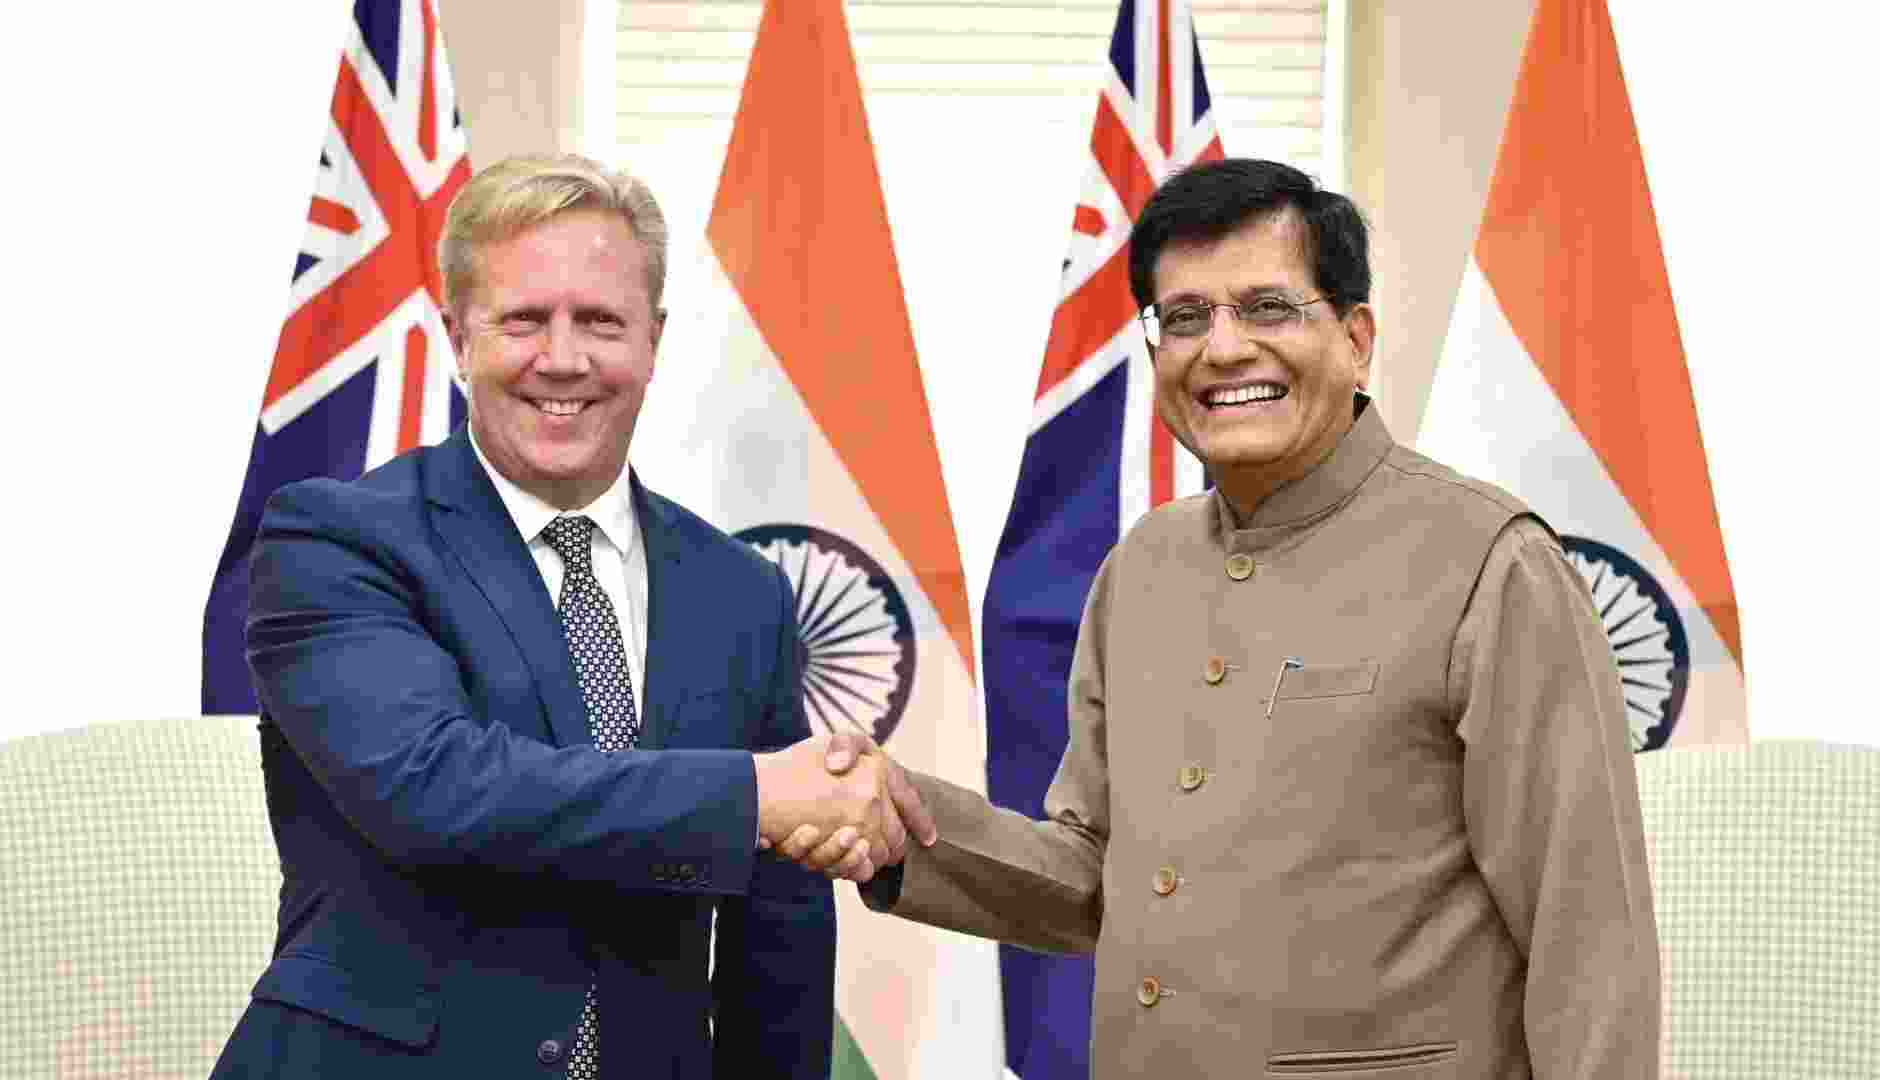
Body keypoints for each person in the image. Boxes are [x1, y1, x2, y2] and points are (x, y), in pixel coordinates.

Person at [794, 158, 1661, 1077]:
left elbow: (1590, 937)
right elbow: (1092, 874)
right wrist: (906, 825)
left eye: (1268, 308)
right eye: (1184, 318)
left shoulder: (1492, 563)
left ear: (1357, 338)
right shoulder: (1141, 570)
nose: (1223, 348)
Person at [211, 154, 921, 1080]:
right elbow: (433, 787)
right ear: (458, 335)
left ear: (654, 340)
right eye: (522, 321)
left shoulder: (740, 588)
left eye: (600, 321)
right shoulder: (337, 541)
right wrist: (756, 794)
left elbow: (775, 928)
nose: (563, 358)